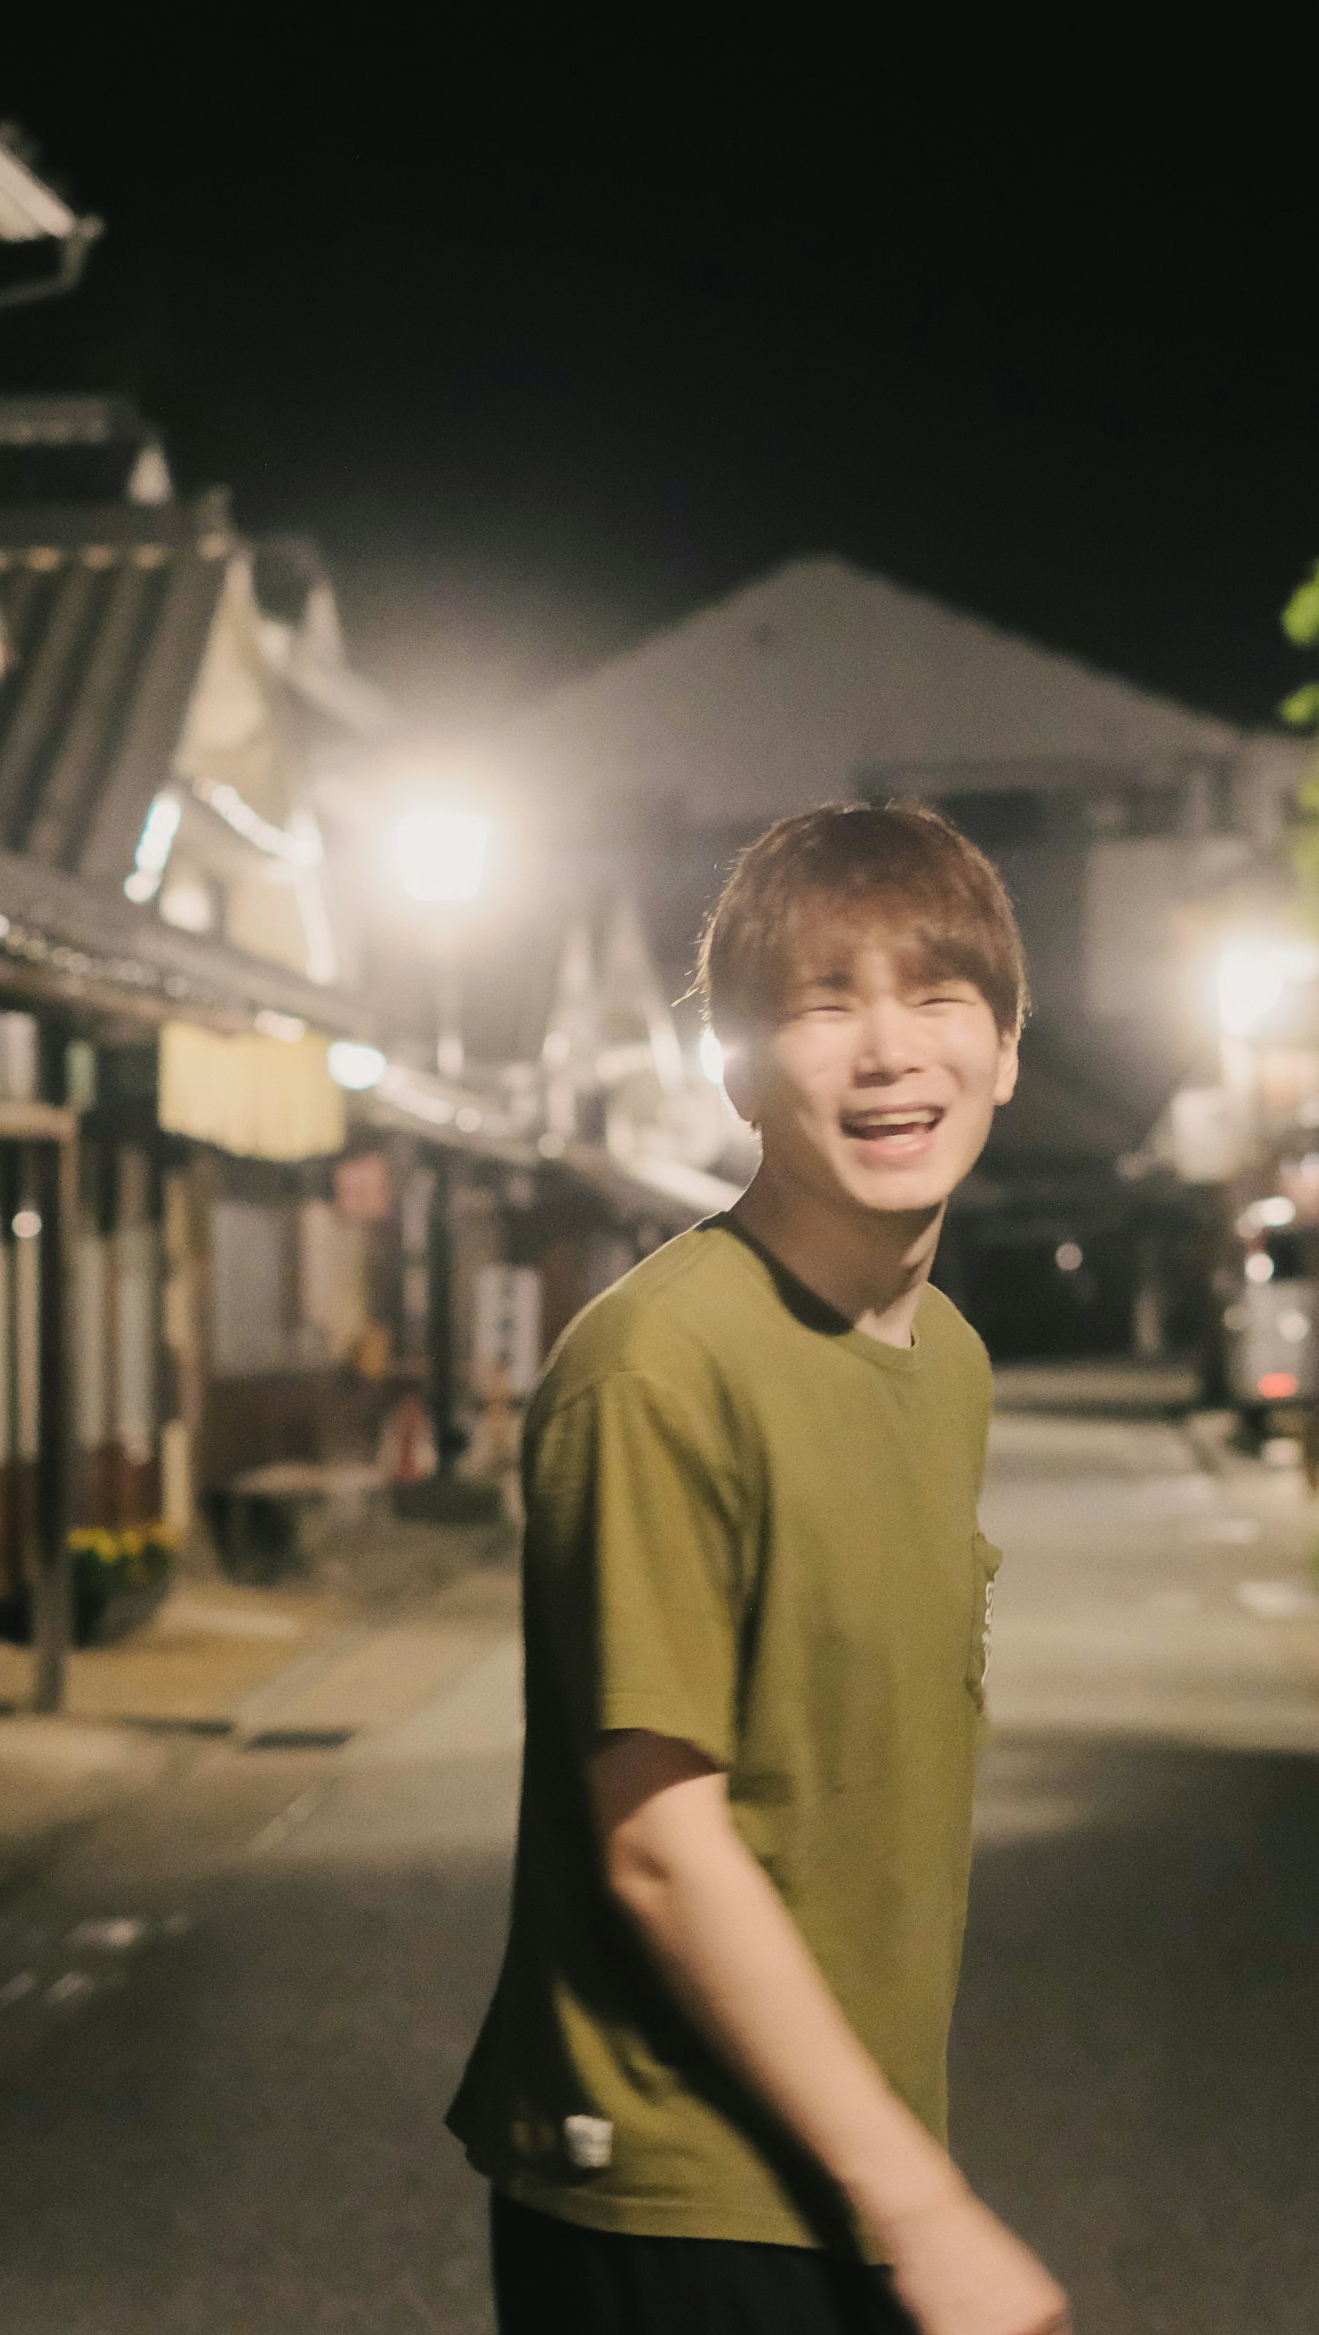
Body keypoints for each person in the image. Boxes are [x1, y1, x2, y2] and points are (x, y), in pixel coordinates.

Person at [449, 803, 1070, 2335]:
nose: (887, 1053)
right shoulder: (658, 1366)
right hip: (671, 2190)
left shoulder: (952, 1362)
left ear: (1005, 1050)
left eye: (936, 1000)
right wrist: (922, 2206)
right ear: (731, 1067)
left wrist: (901, 2182)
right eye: (818, 1005)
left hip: (844, 2172)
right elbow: (660, 1841)